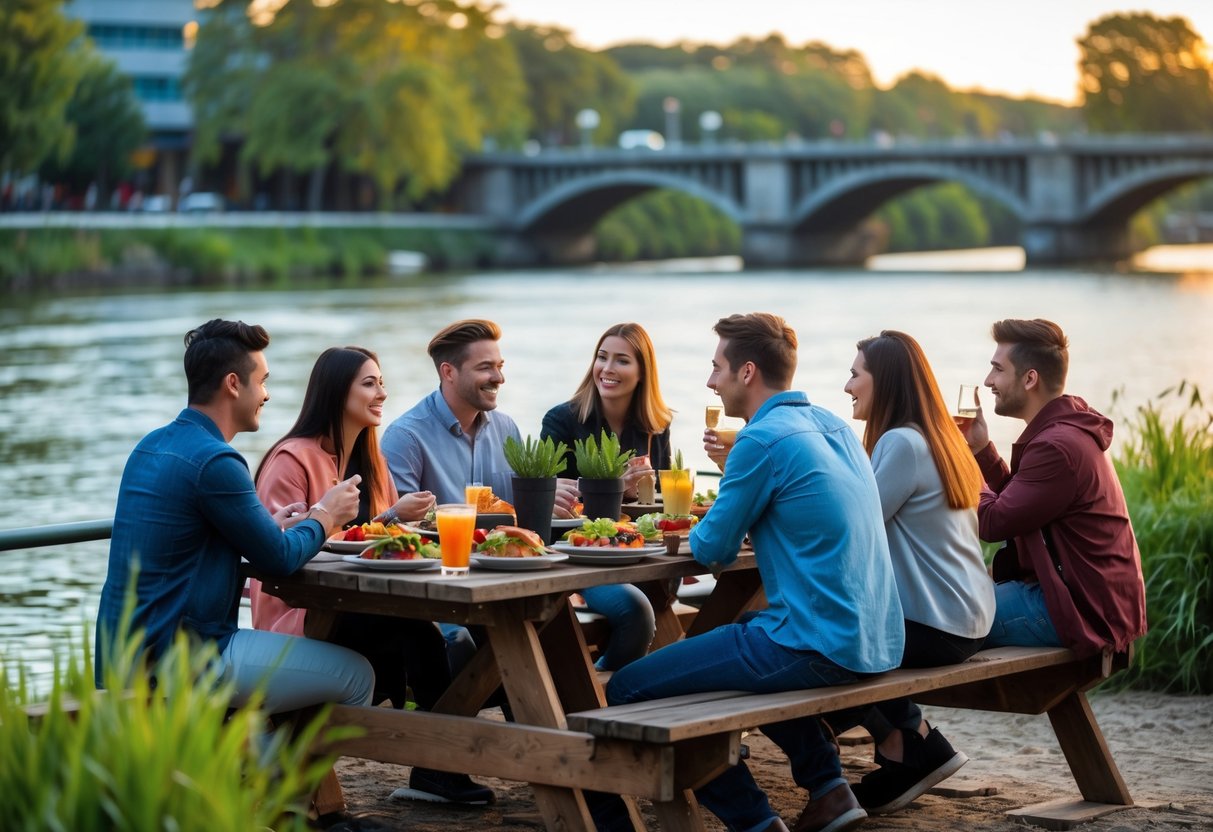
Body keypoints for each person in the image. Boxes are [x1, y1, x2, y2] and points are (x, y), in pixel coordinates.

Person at [592, 313, 904, 832]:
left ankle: (755, 821)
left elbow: (711, 549)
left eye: (717, 368)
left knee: (627, 688)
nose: (710, 380)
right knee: (739, 639)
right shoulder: (834, 426)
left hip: (818, 645)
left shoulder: (760, 441)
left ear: (747, 372)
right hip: (876, 639)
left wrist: (689, 521)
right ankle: (829, 790)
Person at [94, 319, 374, 825]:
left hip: (123, 650)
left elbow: (200, 537)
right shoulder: (217, 461)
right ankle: (269, 808)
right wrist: (325, 516)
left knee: (294, 680)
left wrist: (273, 525)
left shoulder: (152, 446)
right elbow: (281, 560)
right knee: (357, 676)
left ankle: (271, 800)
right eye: (262, 380)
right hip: (186, 656)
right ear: (233, 384)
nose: (266, 393)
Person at [250, 346, 493, 806]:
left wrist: (401, 520)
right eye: (369, 383)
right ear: (336, 391)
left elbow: (374, 538)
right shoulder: (291, 459)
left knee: (457, 634)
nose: (382, 392)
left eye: (381, 382)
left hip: (362, 603)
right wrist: (383, 518)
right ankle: (439, 768)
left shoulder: (371, 456)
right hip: (298, 613)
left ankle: (442, 765)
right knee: (416, 631)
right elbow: (274, 557)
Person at [833, 330, 995, 814]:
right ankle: (908, 743)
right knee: (830, 628)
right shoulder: (938, 436)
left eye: (855, 374)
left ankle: (903, 745)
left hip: (936, 624)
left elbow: (853, 532)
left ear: (884, 382)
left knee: (814, 636)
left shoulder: (902, 443)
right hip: (967, 618)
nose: (847, 386)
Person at [961, 318, 1146, 657]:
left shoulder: (1056, 446)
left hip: (1079, 610)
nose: (988, 381)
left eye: (997, 370)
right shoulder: (1063, 432)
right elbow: (1022, 502)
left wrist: (962, 465)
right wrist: (981, 451)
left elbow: (993, 521)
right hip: (1090, 600)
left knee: (938, 619)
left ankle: (894, 713)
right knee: (936, 610)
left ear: (1030, 378)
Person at [540, 322, 670, 669]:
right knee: (636, 611)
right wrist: (613, 486)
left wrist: (640, 494)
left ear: (643, 372)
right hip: (576, 554)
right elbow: (552, 508)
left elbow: (660, 505)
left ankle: (608, 692)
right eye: (602, 357)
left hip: (637, 550)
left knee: (662, 591)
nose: (608, 369)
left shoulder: (656, 426)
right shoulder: (562, 421)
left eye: (622, 361)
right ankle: (607, 695)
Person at [381, 319, 523, 505]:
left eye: (499, 366)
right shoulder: (405, 437)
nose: (499, 378)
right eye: (485, 367)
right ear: (448, 372)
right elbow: (399, 523)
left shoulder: (507, 428)